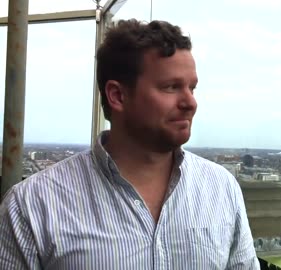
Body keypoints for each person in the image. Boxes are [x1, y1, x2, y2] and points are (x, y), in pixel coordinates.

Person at [0, 19, 260, 270]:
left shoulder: (221, 189)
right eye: (171, 87)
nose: (191, 102)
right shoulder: (31, 207)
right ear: (117, 95)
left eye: (192, 88)